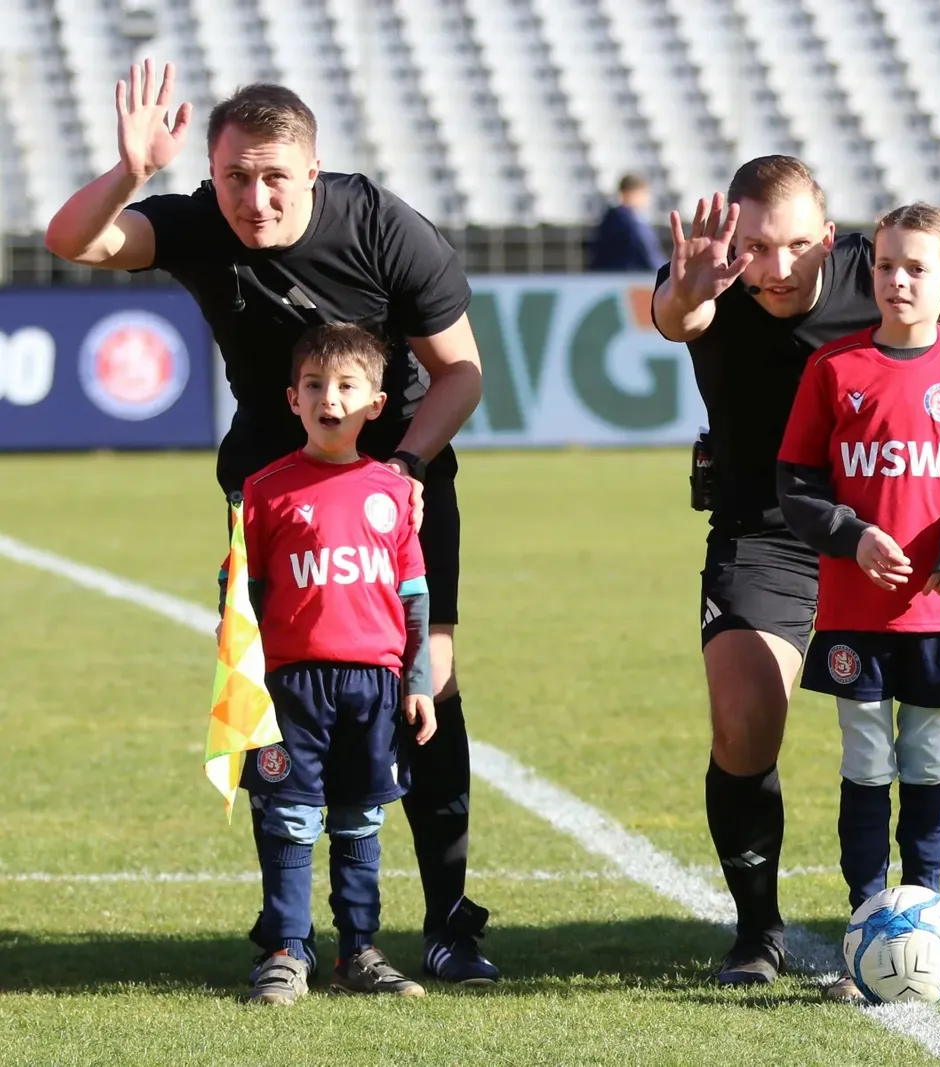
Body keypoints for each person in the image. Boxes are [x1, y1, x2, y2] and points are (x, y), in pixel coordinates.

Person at [43, 62, 497, 984]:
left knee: (426, 683)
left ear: (314, 170)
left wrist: (406, 467)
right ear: (212, 175)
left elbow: (461, 371)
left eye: (276, 177)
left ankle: (448, 920)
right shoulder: (196, 221)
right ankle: (287, 929)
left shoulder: (383, 226)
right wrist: (131, 171)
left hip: (396, 482)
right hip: (272, 491)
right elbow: (72, 240)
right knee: (271, 692)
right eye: (235, 178)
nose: (255, 199)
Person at [653, 156, 940, 986]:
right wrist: (688, 290)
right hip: (769, 529)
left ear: (830, 239)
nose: (777, 266)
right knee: (745, 717)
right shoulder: (710, 272)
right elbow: (680, 315)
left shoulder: (885, 266)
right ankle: (758, 932)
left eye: (797, 245)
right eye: (758, 248)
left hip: (902, 535)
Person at [776, 203, 940, 1000]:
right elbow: (796, 481)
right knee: (865, 762)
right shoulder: (835, 368)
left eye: (917, 267)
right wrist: (850, 536)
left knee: (926, 763)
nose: (897, 280)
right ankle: (864, 925)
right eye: (886, 265)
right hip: (855, 609)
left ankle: (927, 921)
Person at [238, 324, 441, 1005]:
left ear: (375, 404)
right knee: (290, 818)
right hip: (291, 686)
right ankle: (285, 951)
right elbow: (241, 594)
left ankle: (358, 951)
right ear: (293, 399)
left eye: (347, 386)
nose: (331, 397)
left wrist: (418, 681)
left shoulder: (393, 492)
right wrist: (242, 677)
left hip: (374, 685)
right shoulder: (264, 490)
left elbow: (414, 596)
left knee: (360, 819)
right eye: (315, 385)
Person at [589, 173, 666, 272]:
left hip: (605, 277)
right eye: (644, 193)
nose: (647, 199)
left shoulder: (608, 219)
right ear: (632, 194)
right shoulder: (632, 223)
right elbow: (651, 258)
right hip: (628, 277)